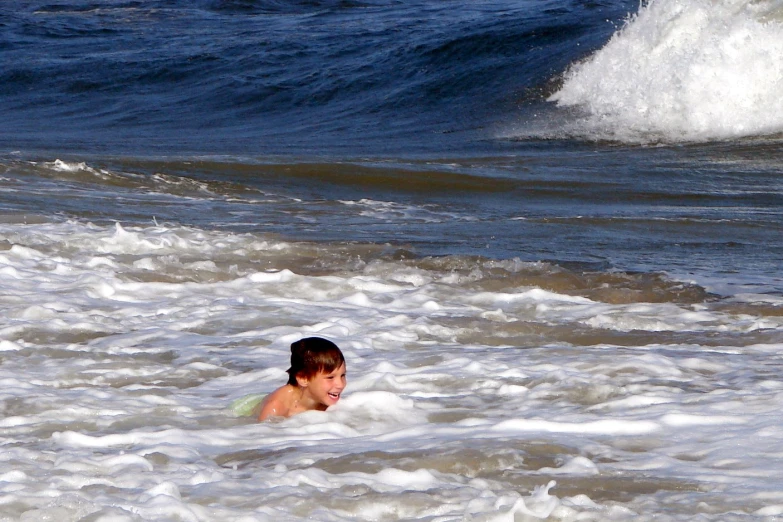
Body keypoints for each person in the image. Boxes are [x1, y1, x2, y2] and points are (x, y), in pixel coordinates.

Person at [257, 337, 347, 421]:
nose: (341, 384)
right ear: (303, 378)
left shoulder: (325, 400)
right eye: (330, 377)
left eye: (343, 375)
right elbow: (261, 434)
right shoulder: (276, 409)